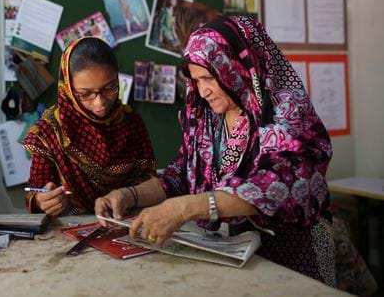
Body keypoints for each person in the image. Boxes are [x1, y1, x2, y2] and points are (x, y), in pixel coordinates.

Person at [96, 16, 335, 286]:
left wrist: (187, 208)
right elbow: (183, 175)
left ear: (235, 67)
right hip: (235, 254)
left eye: (209, 77)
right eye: (196, 80)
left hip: (291, 257)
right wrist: (128, 196)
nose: (203, 90)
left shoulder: (285, 111)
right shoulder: (208, 116)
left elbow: (283, 183)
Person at [23, 37, 157, 217]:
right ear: (68, 89)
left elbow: (150, 180)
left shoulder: (132, 124)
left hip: (126, 223)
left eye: (110, 88)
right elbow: (36, 193)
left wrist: (130, 197)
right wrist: (42, 201)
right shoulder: (49, 133)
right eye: (85, 94)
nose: (100, 102)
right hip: (70, 230)